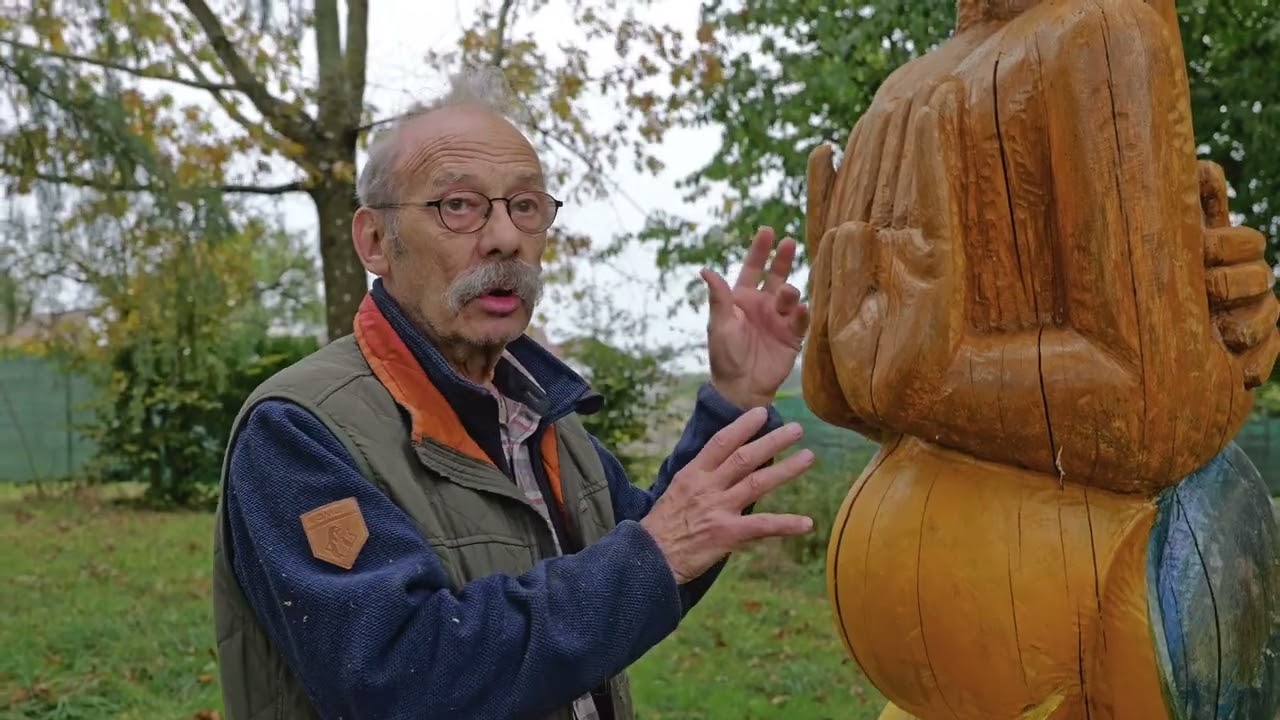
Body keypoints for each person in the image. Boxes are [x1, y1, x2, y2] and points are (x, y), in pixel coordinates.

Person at [212, 67, 818, 720]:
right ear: (374, 241)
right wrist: (652, 556)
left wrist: (734, 397)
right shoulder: (298, 432)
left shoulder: (538, 412)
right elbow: (400, 676)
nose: (505, 237)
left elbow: (652, 559)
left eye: (525, 206)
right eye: (459, 206)